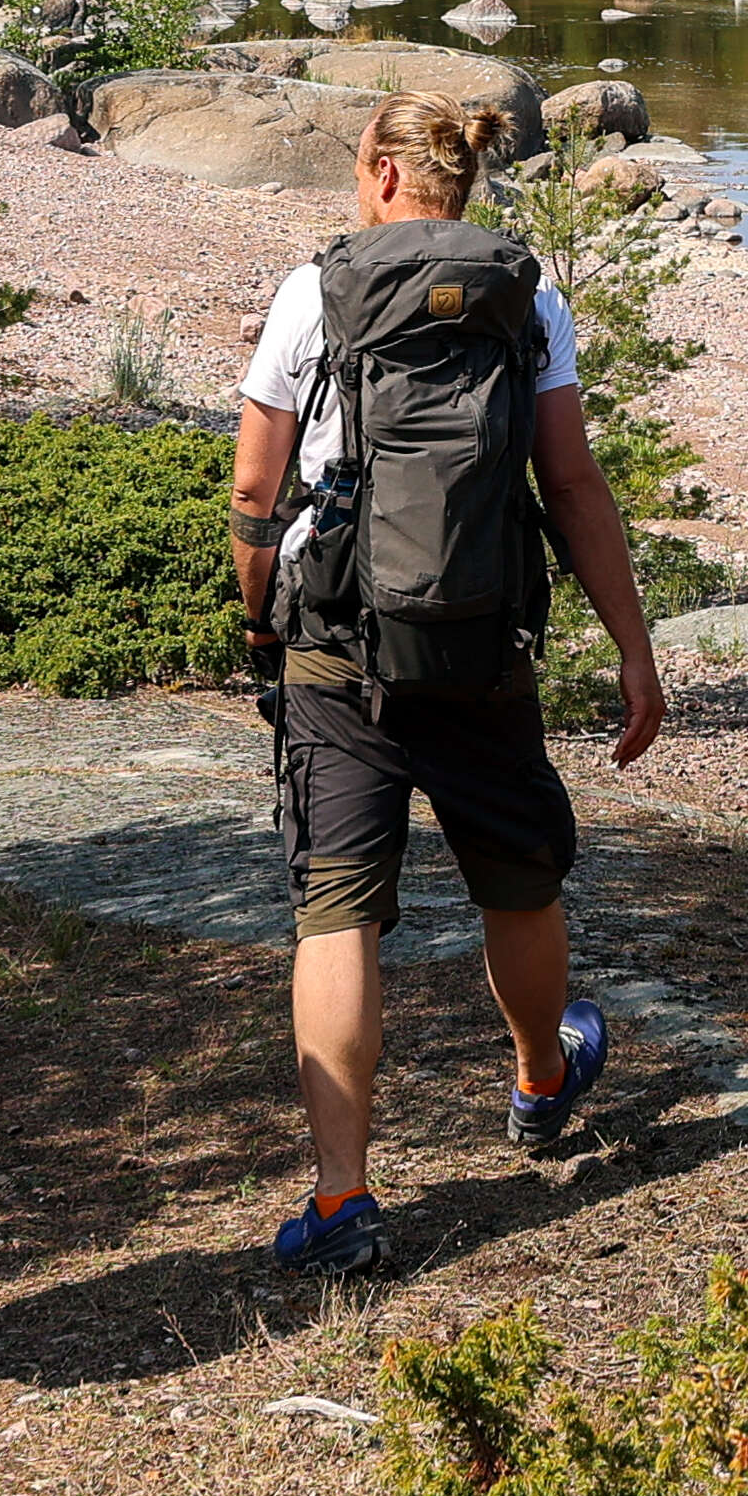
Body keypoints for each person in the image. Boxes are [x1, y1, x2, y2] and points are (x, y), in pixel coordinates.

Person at [230, 88, 665, 1277]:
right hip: (482, 644)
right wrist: (634, 648)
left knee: (337, 914)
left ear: (381, 173)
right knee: (517, 883)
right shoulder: (529, 297)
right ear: (462, 175)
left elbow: (256, 493)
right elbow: (569, 485)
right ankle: (538, 1078)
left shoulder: (313, 292)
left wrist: (264, 622)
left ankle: (342, 1198)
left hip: (339, 645)